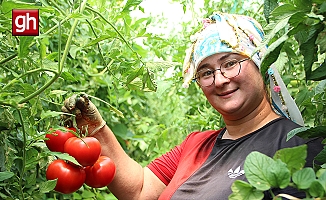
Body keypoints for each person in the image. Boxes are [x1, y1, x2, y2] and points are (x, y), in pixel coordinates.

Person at [61, 12, 323, 199]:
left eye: (231, 63)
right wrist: (97, 130)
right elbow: (140, 189)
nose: (219, 80)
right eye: (206, 72)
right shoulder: (196, 145)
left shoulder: (300, 145)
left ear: (261, 64)